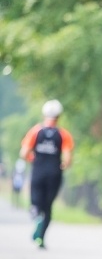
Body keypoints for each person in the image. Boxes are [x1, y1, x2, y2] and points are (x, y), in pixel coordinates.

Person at [19, 100, 74, 249]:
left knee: (36, 202)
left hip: (38, 170)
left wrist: (33, 159)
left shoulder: (35, 131)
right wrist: (62, 165)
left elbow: (24, 153)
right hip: (55, 173)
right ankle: (41, 237)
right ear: (59, 116)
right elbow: (67, 159)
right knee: (48, 206)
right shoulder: (63, 134)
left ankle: (36, 217)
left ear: (44, 115)